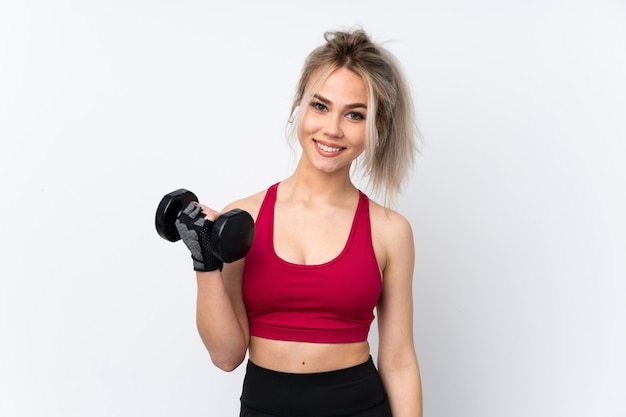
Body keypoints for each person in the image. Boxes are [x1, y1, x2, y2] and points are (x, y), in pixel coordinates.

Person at [175, 28, 422, 417]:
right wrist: (205, 262)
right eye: (320, 106)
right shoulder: (245, 219)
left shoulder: (390, 231)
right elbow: (226, 356)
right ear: (299, 108)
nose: (332, 129)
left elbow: (399, 361)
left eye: (354, 114)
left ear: (376, 127)